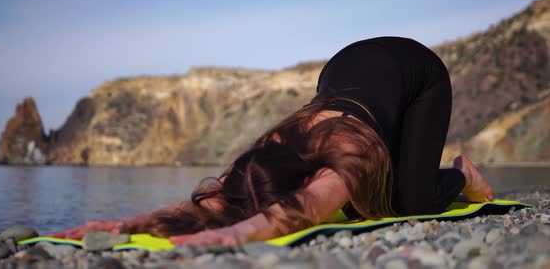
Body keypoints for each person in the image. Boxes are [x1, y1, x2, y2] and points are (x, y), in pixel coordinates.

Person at [51, 36, 493, 246]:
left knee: (406, 201)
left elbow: (302, 209)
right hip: (342, 66)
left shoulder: (348, 156)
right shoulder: (273, 146)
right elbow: (218, 200)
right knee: (371, 194)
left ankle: (458, 175)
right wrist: (124, 224)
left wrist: (232, 238)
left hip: (418, 69)